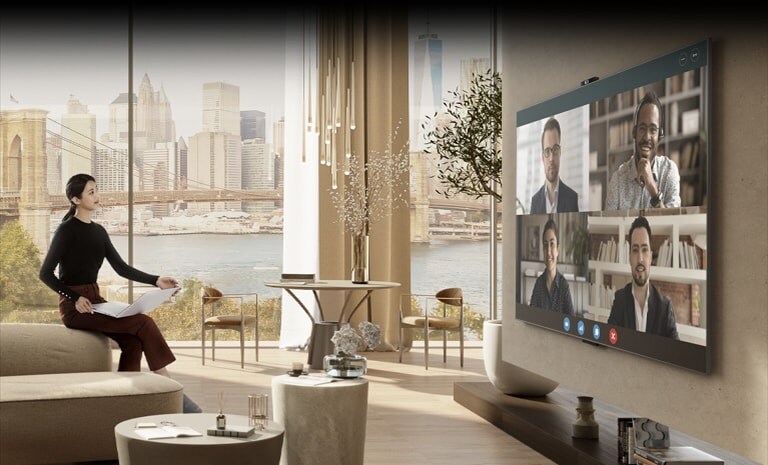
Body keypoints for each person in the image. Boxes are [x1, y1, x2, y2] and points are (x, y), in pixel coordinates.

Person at [39, 173, 202, 413]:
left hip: (96, 301)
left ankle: (126, 399)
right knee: (144, 324)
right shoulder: (66, 231)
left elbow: (121, 267)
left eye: (96, 190)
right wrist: (75, 298)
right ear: (75, 199)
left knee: (133, 341)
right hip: (75, 308)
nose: (97, 196)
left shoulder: (99, 231)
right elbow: (45, 273)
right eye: (91, 192)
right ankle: (172, 390)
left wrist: (156, 280)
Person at [605, 91, 681, 211]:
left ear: (659, 137)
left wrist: (652, 187)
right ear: (634, 132)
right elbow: (608, 228)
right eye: (642, 128)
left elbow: (673, 225)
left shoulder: (670, 172)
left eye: (653, 130)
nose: (646, 137)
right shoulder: (618, 180)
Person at [607, 216, 679, 339]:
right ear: (629, 257)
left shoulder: (665, 308)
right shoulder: (620, 301)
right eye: (635, 250)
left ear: (650, 257)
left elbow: (676, 355)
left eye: (644, 250)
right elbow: (608, 344)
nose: (640, 258)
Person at [530, 117, 579, 214]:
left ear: (560, 153)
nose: (551, 158)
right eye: (547, 151)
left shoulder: (572, 198)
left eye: (555, 149)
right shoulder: (535, 201)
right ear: (542, 157)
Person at [529, 218, 575, 315]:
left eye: (552, 244)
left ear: (557, 249)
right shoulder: (539, 284)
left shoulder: (563, 286)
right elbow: (531, 316)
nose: (548, 252)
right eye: (545, 245)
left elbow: (572, 322)